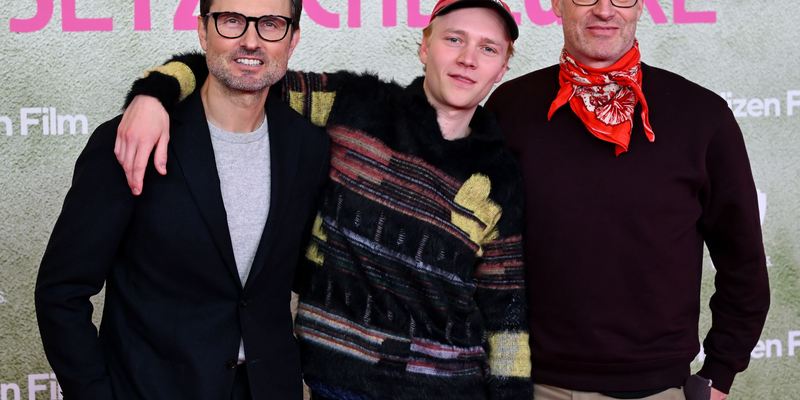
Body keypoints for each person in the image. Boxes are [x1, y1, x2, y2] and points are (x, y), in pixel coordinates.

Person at [112, 1, 532, 399]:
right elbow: (239, 72)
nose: (468, 59)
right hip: (335, 383)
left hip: (449, 390)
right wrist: (154, 94)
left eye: (488, 48)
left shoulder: (500, 175)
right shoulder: (354, 104)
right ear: (424, 45)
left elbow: (506, 312)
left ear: (502, 68)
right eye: (454, 39)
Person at [34, 0, 330, 398]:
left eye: (271, 24)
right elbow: (61, 292)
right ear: (203, 31)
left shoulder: (308, 146)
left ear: (292, 39)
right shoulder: (132, 139)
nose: (250, 40)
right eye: (231, 21)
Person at [483, 0, 770, 399]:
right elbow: (482, 257)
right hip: (532, 386)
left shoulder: (703, 116)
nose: (605, 10)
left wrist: (718, 375)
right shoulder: (509, 108)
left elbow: (744, 265)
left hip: (659, 389)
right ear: (556, 5)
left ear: (640, 7)